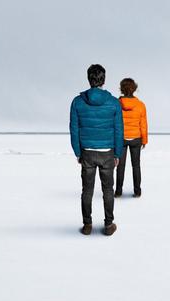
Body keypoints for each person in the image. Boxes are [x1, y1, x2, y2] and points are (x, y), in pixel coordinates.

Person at [69, 64, 124, 236]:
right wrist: (117, 153)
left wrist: (78, 152)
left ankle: (87, 225)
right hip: (107, 152)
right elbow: (118, 130)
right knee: (108, 190)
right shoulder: (114, 103)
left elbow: (74, 129)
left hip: (87, 151)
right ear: (104, 79)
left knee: (87, 190)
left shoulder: (77, 102)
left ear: (89, 78)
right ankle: (108, 225)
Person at [115, 78, 148, 198]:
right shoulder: (140, 105)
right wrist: (144, 140)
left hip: (121, 139)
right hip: (136, 138)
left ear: (121, 89)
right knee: (136, 166)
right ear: (134, 89)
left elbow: (113, 123)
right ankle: (137, 191)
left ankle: (118, 192)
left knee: (120, 166)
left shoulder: (116, 104)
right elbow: (143, 124)